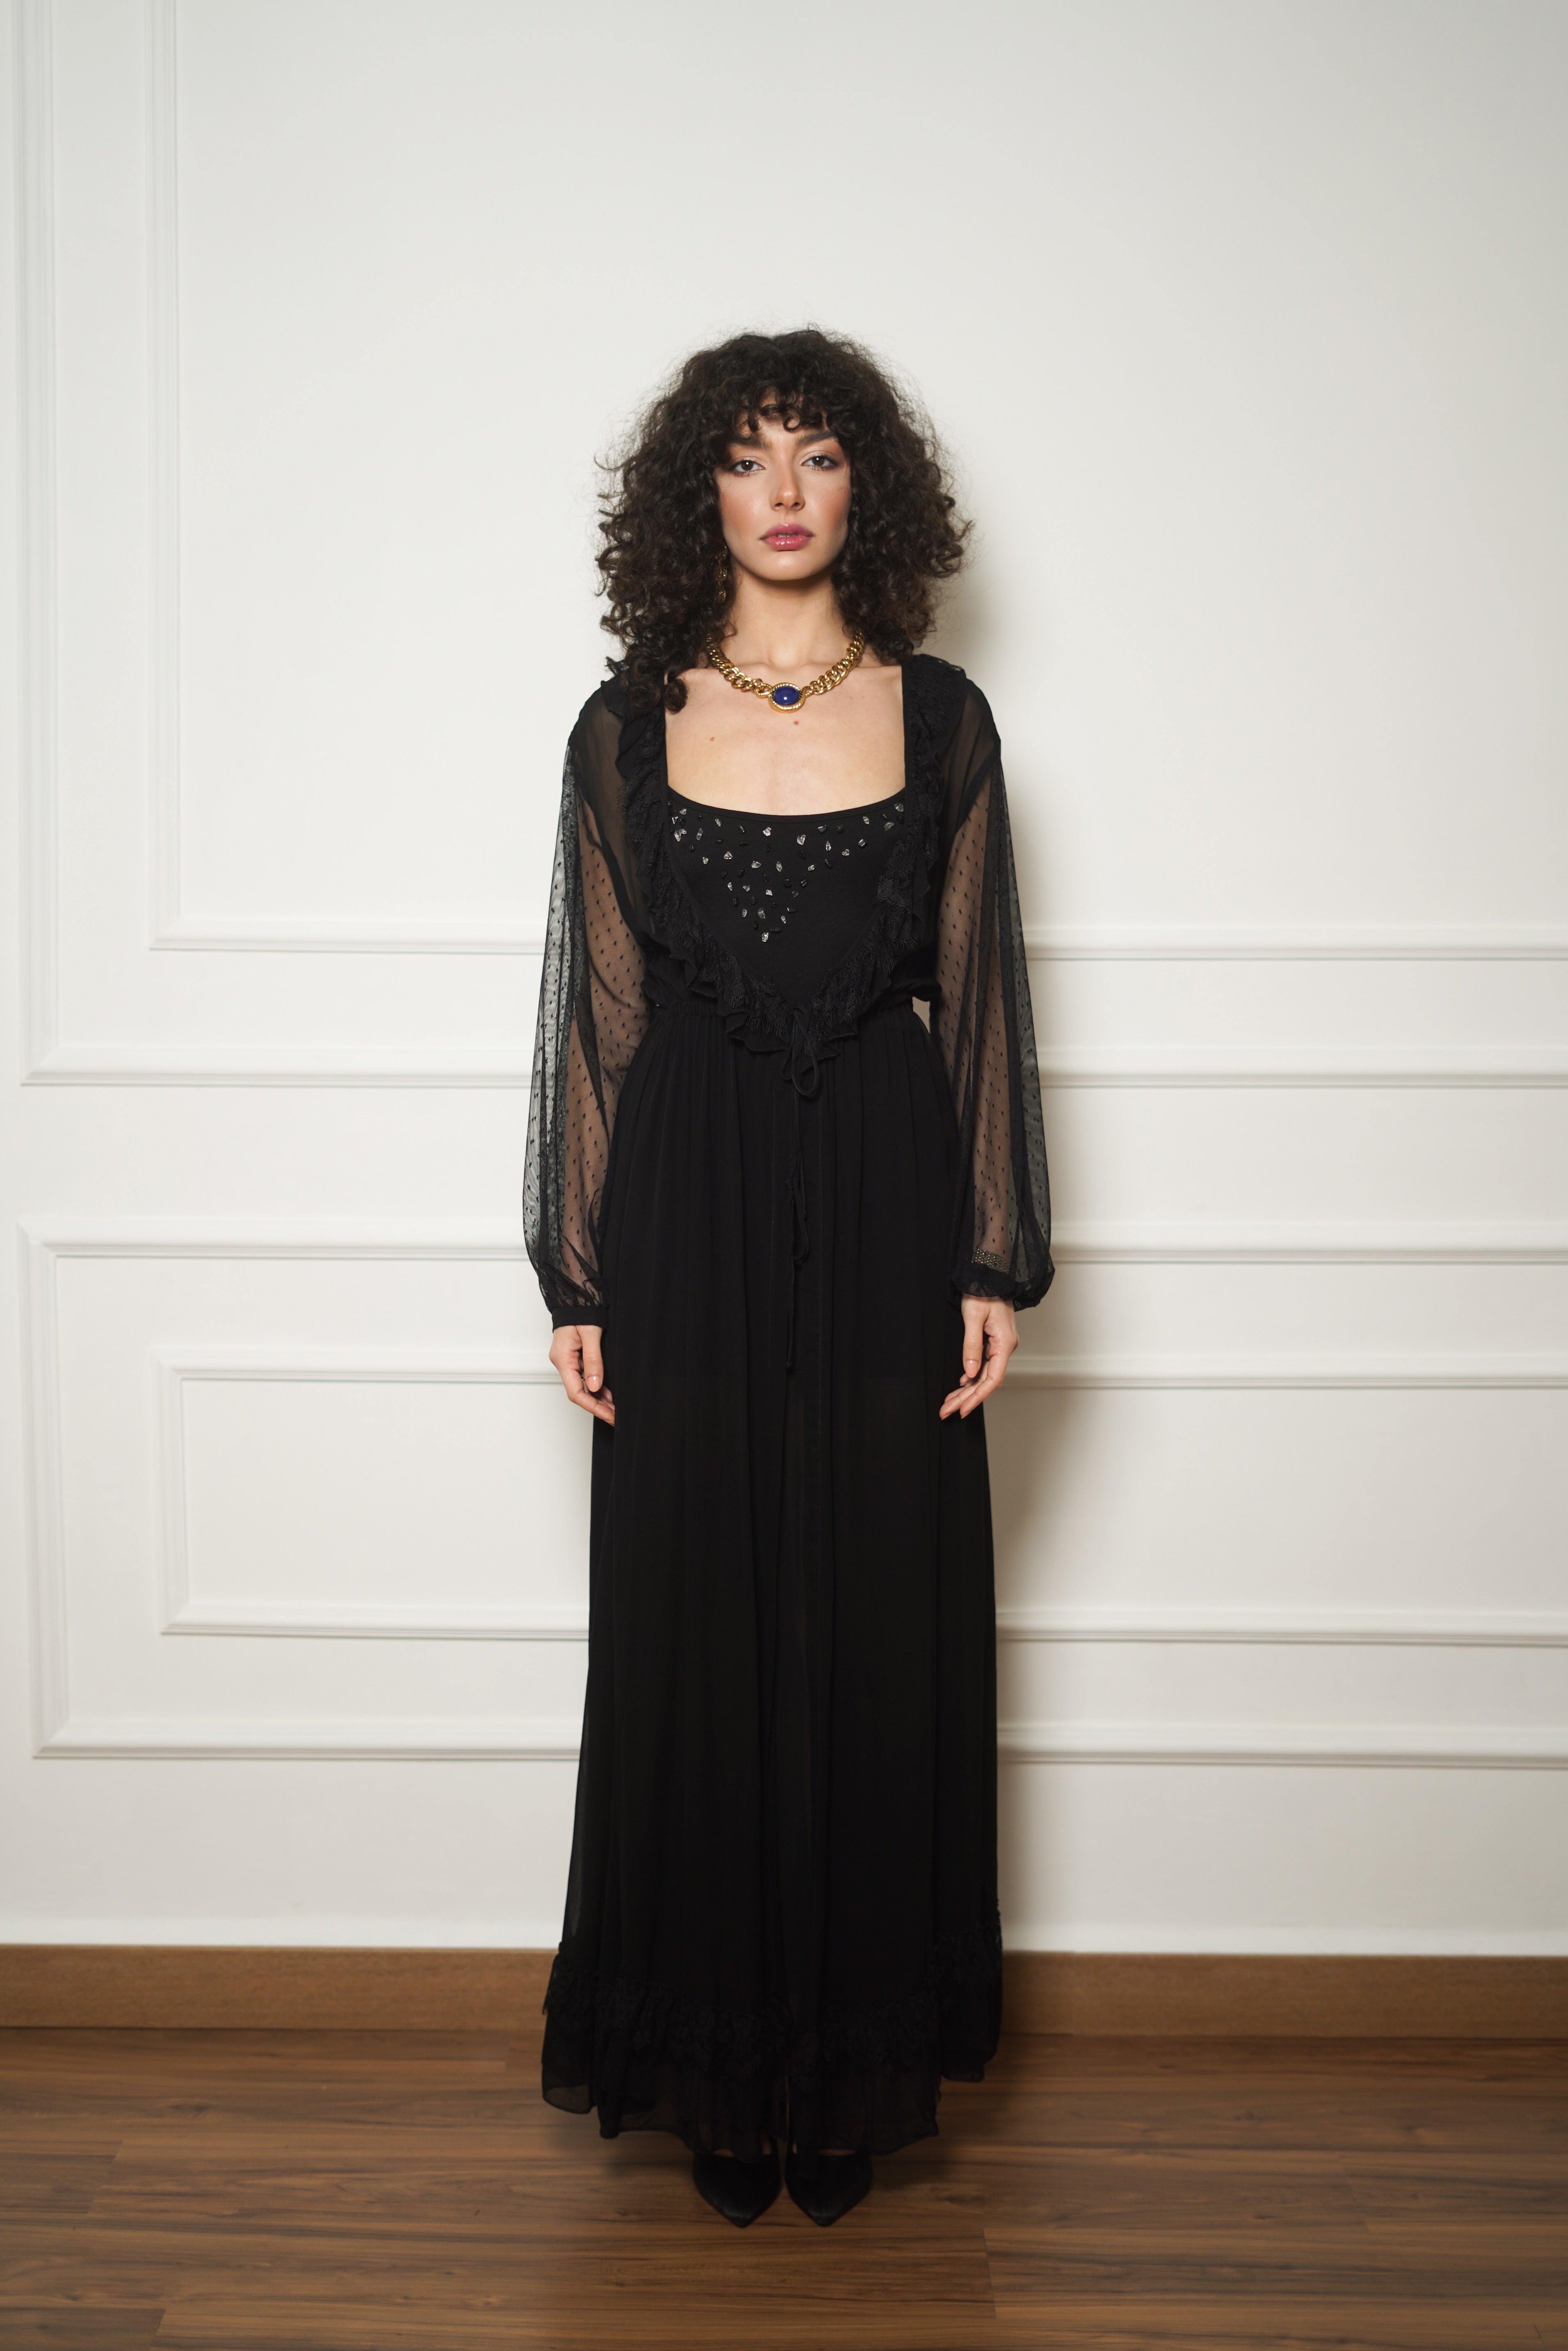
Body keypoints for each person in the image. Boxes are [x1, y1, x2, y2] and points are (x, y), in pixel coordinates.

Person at [523, 328, 1052, 2230]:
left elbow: (979, 997)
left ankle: (847, 2073)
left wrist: (993, 1250)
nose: (783, 492)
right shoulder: (620, 725)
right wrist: (578, 1274)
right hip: (685, 1197)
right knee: (696, 1609)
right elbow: (598, 1019)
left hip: (892, 1191)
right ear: (701, 496)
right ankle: (716, 2076)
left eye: (817, 457)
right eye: (747, 458)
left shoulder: (945, 717)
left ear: (864, 494)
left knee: (873, 1606)